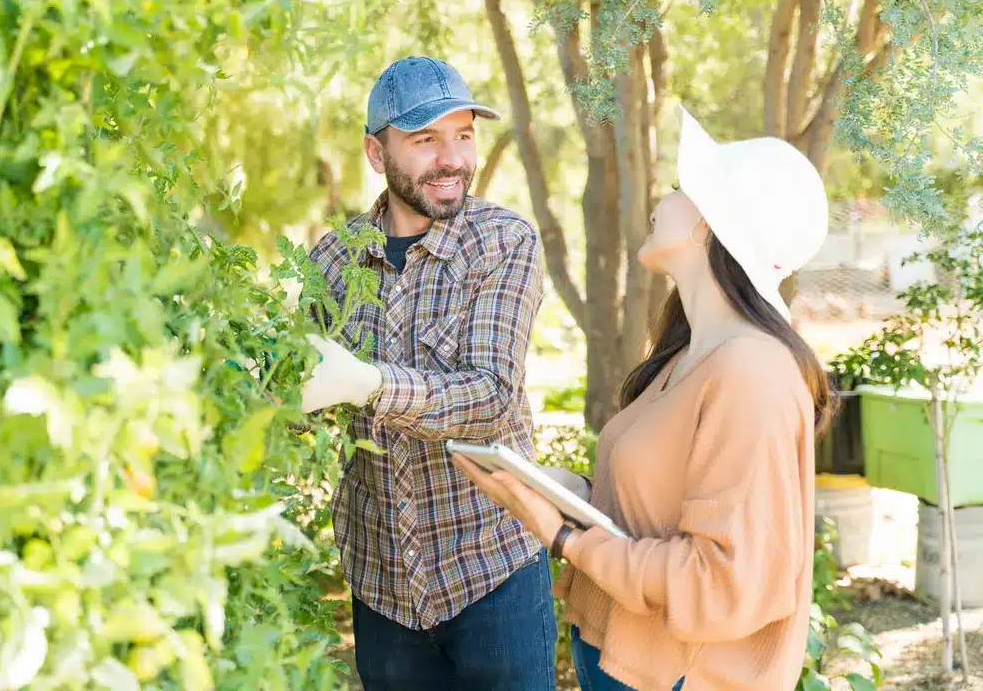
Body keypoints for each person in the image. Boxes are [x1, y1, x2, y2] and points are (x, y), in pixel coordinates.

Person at [455, 108, 834, 691]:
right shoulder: (689, 356)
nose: (666, 194)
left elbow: (719, 583)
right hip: (626, 659)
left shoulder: (753, 373)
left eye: (683, 188)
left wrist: (563, 537)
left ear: (710, 224)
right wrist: (559, 488)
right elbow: (648, 511)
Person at [299, 56, 556, 690]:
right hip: (381, 583)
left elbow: (492, 396)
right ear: (375, 151)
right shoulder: (332, 260)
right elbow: (298, 396)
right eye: (425, 140)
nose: (452, 158)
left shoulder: (502, 243)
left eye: (463, 135)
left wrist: (370, 384)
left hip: (491, 572)